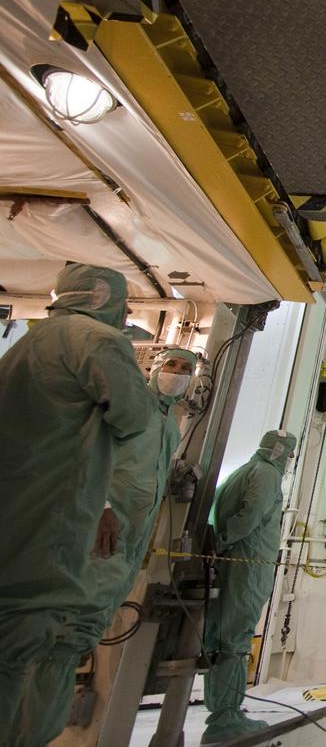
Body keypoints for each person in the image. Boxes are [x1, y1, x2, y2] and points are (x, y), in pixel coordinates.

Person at [0, 263, 156, 742]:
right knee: (28, 643)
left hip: (19, 506)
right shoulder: (98, 341)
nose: (127, 310)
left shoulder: (27, 343)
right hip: (55, 514)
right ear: (98, 296)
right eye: (123, 300)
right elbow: (133, 415)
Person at [19, 348, 199, 743]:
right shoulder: (129, 407)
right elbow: (87, 455)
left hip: (128, 544)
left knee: (85, 632)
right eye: (172, 366)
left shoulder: (170, 424)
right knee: (66, 635)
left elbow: (145, 473)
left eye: (186, 369)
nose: (177, 374)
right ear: (154, 368)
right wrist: (100, 507)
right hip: (101, 533)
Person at [203, 430, 297, 744]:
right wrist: (225, 540)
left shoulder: (243, 470)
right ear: (280, 451)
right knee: (235, 638)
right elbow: (251, 515)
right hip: (248, 564)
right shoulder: (267, 475)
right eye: (289, 454)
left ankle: (223, 712)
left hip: (234, 563)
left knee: (223, 637)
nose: (289, 460)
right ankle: (225, 717)